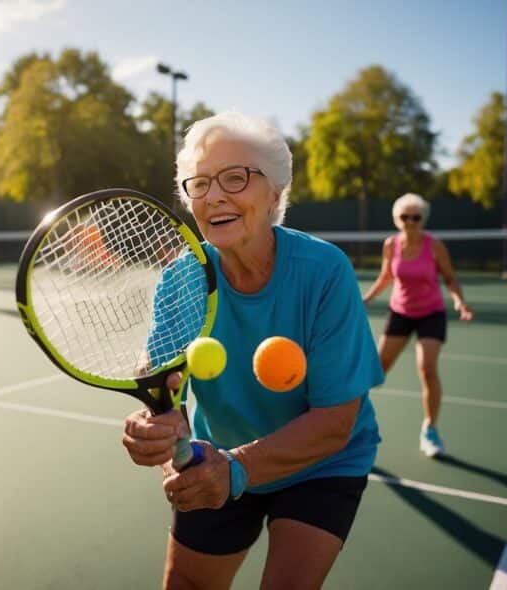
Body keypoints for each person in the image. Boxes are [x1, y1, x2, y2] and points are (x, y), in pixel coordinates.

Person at [120, 112, 383, 590]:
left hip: (321, 463)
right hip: (216, 456)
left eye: (236, 177)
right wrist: (158, 435)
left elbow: (335, 422)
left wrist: (235, 468)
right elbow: (164, 385)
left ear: (276, 194)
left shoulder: (324, 272)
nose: (215, 195)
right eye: (199, 184)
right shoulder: (182, 278)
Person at [362, 193, 473, 458]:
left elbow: (450, 278)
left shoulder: (434, 246)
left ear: (423, 219)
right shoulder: (391, 244)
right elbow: (386, 276)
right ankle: (352, 423)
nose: (410, 222)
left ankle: (430, 430)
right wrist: (363, 299)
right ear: (397, 219)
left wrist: (460, 302)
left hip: (431, 314)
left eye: (416, 217)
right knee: (375, 371)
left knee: (427, 369)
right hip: (400, 312)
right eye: (405, 217)